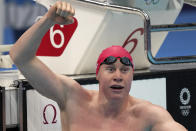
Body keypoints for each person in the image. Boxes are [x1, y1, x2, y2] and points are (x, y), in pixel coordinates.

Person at [10, 1, 187, 131]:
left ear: (131, 76)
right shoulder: (72, 98)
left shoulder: (148, 116)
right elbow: (20, 57)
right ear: (98, 74)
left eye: (125, 70)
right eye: (110, 69)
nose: (118, 75)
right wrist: (48, 20)